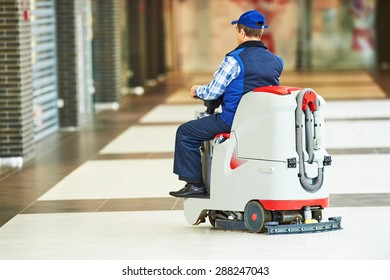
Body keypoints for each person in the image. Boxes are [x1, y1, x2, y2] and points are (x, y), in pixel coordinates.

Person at [169, 10, 284, 198]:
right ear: (260, 32)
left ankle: (196, 184)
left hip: (232, 121)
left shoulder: (234, 60)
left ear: (241, 32)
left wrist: (196, 90)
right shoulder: (276, 61)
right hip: (262, 122)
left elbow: (213, 92)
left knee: (186, 132)